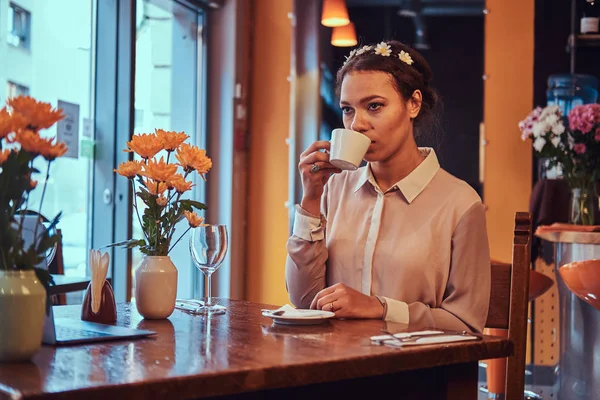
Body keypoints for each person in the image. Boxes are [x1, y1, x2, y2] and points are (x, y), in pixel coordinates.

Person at [285, 40, 490, 333]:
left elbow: (466, 324)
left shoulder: (460, 203)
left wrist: (381, 309)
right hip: (333, 365)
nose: (357, 124)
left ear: (413, 104)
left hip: (411, 373)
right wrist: (310, 200)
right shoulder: (334, 190)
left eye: (374, 106)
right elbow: (304, 301)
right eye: (347, 110)